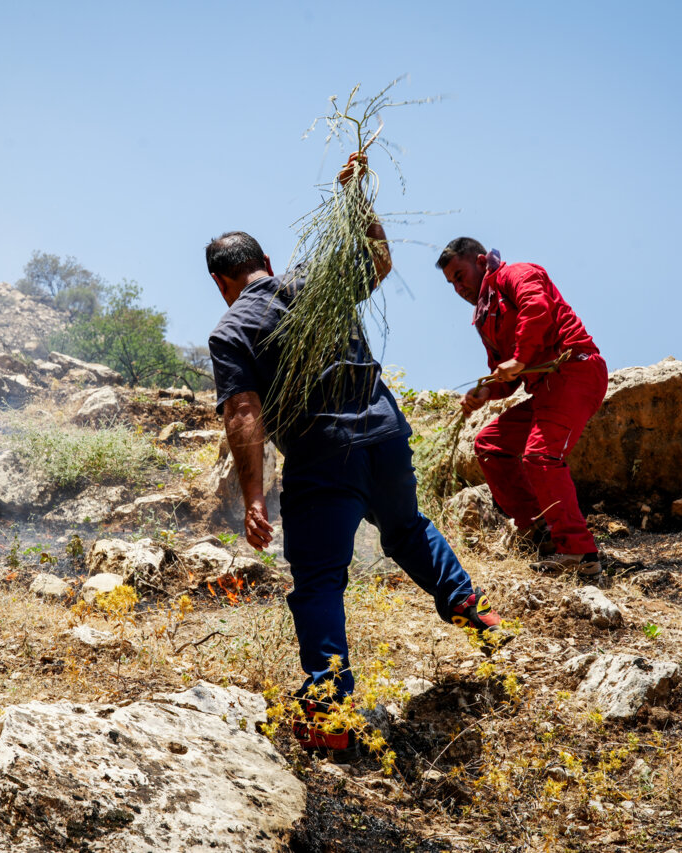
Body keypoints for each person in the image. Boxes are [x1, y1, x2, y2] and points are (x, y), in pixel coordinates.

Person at [206, 156, 499, 750]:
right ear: (266, 264)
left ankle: (328, 715)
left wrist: (254, 497)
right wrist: (358, 200)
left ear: (222, 282)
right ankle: (472, 608)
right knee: (406, 529)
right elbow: (379, 260)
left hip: (323, 457)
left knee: (317, 581)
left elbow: (243, 413)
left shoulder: (231, 329)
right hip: (386, 434)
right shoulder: (314, 281)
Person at [436, 237, 608, 576]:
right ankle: (540, 532)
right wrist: (480, 395)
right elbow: (508, 377)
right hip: (545, 389)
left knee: (540, 456)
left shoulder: (517, 274)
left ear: (482, 262)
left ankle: (580, 554)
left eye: (460, 275)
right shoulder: (485, 318)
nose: (458, 287)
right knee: (490, 445)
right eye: (451, 283)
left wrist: (518, 358)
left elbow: (537, 308)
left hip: (574, 370)